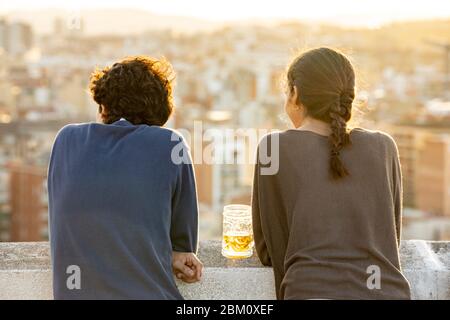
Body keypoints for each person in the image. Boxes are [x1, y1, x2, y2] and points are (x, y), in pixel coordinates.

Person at [251, 47, 411, 300]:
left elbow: (269, 251)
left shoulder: (274, 148)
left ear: (295, 94)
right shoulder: (383, 146)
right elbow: (391, 239)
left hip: (310, 292)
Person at [48, 56, 202, 299]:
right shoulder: (170, 144)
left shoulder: (66, 140)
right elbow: (182, 247)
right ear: (159, 114)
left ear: (103, 106)